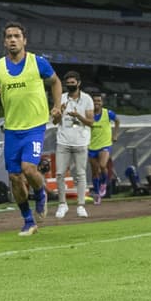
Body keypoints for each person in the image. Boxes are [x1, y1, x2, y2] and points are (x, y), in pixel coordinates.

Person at [0, 22, 62, 236]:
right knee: (15, 178)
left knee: (28, 168)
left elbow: (55, 82)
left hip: (34, 127)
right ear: (4, 41)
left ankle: (40, 193)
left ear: (24, 40)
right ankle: (28, 221)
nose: (13, 40)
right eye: (9, 36)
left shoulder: (38, 62)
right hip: (12, 130)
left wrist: (56, 106)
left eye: (17, 36)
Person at [53, 71, 93, 220]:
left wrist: (78, 116)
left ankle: (81, 205)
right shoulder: (61, 98)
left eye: (72, 83)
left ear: (79, 83)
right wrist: (59, 113)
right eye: (68, 83)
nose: (70, 85)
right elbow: (55, 122)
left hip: (81, 141)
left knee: (80, 174)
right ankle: (62, 204)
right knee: (60, 174)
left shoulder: (87, 99)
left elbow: (91, 122)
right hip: (63, 141)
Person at [88, 93, 120, 203]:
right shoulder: (88, 114)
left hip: (105, 144)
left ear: (102, 102)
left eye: (98, 101)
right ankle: (97, 194)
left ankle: (104, 183)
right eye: (94, 101)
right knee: (94, 172)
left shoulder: (108, 113)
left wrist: (115, 134)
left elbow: (117, 121)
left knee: (102, 165)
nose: (96, 103)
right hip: (91, 146)